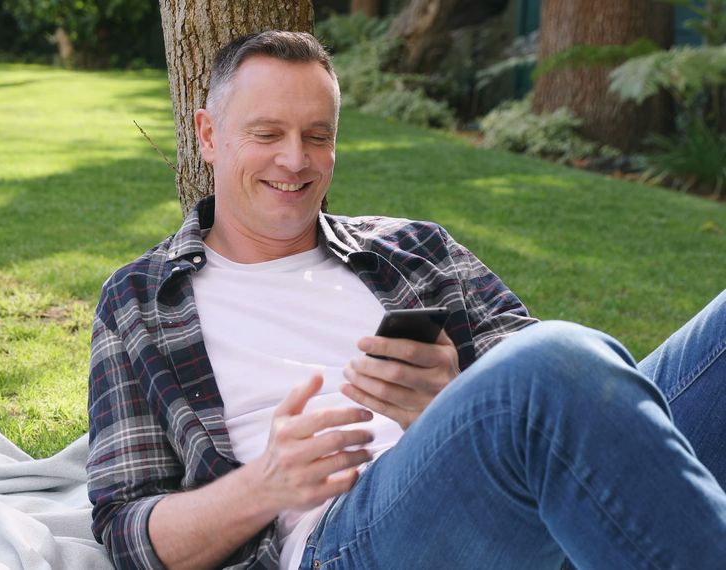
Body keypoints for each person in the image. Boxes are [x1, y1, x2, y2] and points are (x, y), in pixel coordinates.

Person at [86, 30, 726, 570]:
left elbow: (559, 394)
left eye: (316, 135)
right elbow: (126, 529)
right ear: (206, 134)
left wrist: (445, 402)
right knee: (558, 358)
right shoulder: (142, 300)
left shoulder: (413, 248)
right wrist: (266, 484)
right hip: (344, 541)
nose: (294, 159)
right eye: (266, 133)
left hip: (503, 499)